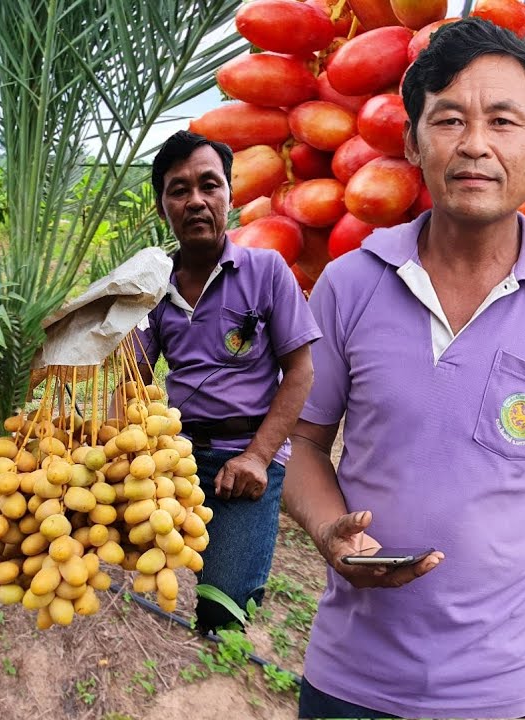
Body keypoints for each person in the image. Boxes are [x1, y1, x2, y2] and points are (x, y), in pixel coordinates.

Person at [285, 18, 525, 719]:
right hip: (350, 682)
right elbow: (301, 445)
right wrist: (329, 531)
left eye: (503, 121)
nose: (475, 144)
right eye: (449, 120)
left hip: (508, 693)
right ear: (413, 141)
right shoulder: (351, 283)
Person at [135, 130, 320, 631]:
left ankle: (220, 620)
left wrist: (259, 457)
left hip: (246, 455)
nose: (195, 200)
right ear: (162, 208)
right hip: (174, 456)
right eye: (178, 190)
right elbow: (130, 376)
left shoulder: (267, 270)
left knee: (223, 610)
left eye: (208, 185)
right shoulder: (151, 285)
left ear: (230, 197)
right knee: (124, 553)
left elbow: (300, 371)